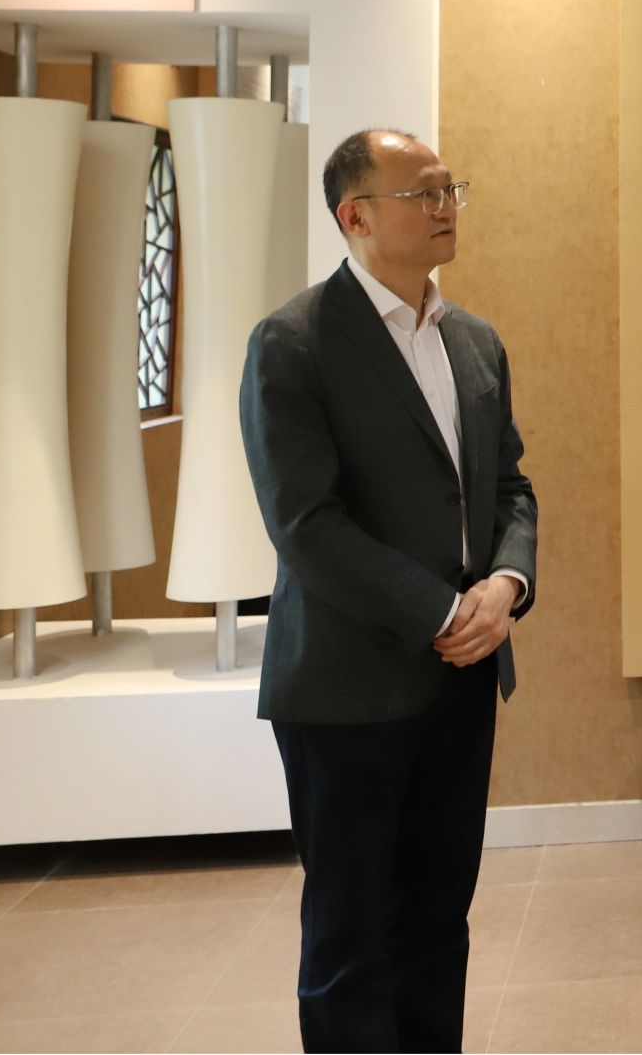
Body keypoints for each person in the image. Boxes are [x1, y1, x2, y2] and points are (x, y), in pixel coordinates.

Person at [238, 129, 538, 1053]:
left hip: (462, 675)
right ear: (355, 215)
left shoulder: (473, 339)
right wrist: (441, 609)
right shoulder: (294, 341)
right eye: (423, 193)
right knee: (350, 934)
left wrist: (505, 582)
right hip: (347, 685)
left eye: (451, 189)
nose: (446, 207)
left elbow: (509, 487)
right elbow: (305, 522)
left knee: (437, 918)